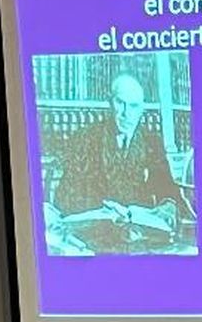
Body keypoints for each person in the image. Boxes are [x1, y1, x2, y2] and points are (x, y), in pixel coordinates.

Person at [48, 72, 182, 253]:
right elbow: (65, 197)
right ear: (109, 103)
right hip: (94, 240)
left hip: (140, 239)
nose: (126, 114)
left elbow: (166, 186)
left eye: (133, 106)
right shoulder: (85, 139)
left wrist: (169, 205)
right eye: (120, 103)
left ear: (142, 108)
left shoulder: (152, 142)